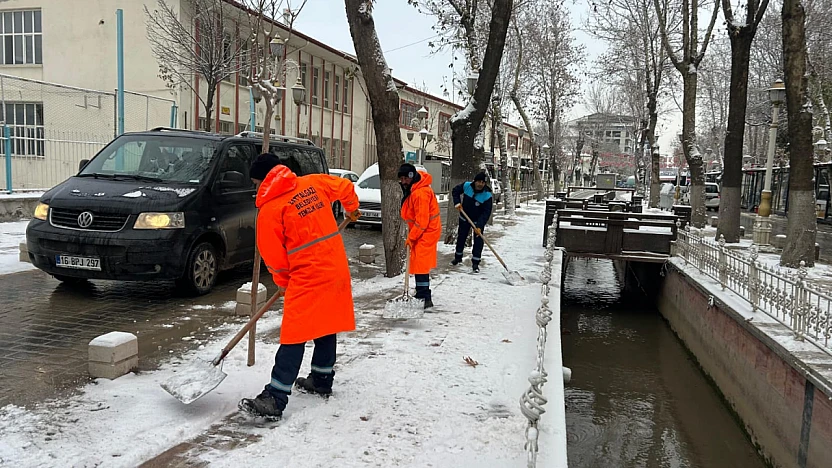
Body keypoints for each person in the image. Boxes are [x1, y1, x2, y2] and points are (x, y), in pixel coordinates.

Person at [239, 153, 361, 419]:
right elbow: (346, 188)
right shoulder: (313, 184)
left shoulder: (270, 210)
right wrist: (351, 208)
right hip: (335, 268)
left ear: (266, 179)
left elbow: (275, 260)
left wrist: (285, 284)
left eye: (257, 182)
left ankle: (275, 397)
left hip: (307, 277)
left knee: (294, 335)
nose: (256, 188)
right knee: (325, 323)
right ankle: (321, 379)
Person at [398, 163, 441, 309]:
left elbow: (422, 221)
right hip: (422, 230)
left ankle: (424, 296)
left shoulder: (420, 193)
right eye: (401, 178)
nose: (403, 182)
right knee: (418, 262)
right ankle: (422, 292)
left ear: (412, 177)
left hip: (427, 230)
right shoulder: (414, 188)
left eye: (406, 178)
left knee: (421, 263)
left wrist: (412, 237)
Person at [451, 172, 493, 273]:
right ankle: (458, 257)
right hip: (464, 217)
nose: (480, 184)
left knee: (478, 242)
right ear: (475, 181)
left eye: (483, 182)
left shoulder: (487, 195)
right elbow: (455, 191)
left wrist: (479, 225)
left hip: (477, 221)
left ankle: (475, 263)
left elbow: (486, 212)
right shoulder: (466, 186)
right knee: (461, 237)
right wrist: (457, 202)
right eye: (479, 181)